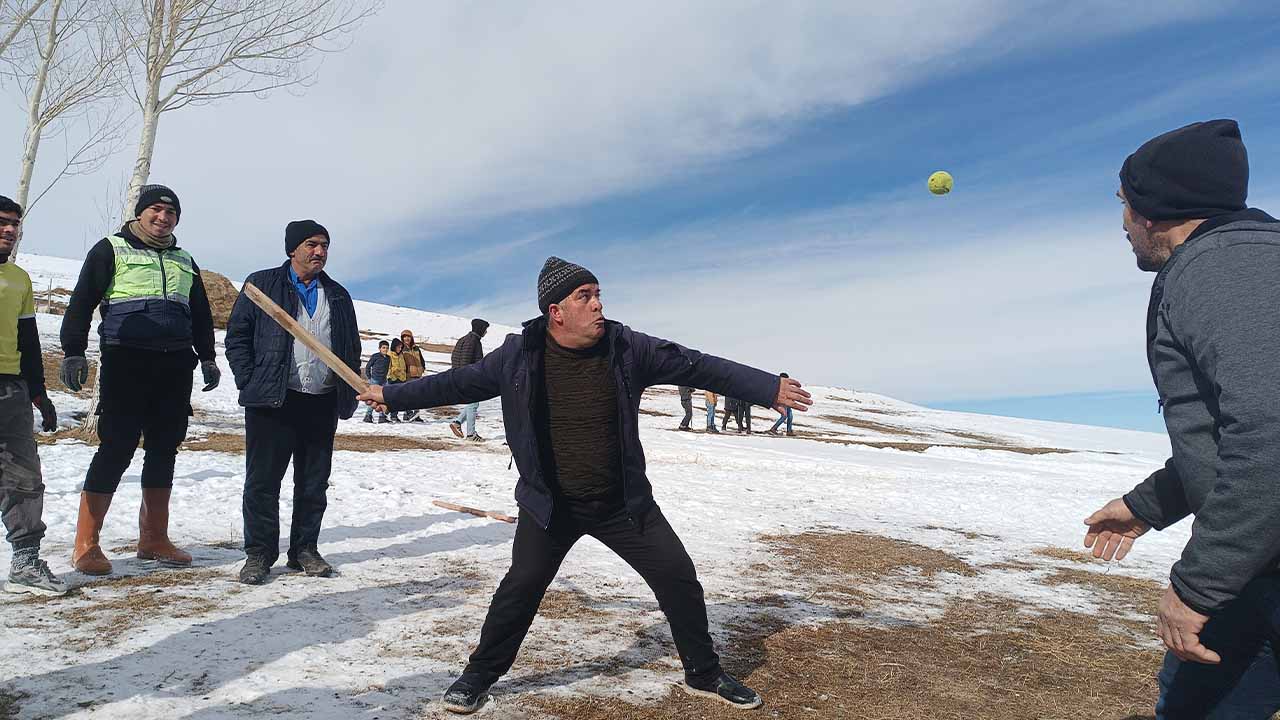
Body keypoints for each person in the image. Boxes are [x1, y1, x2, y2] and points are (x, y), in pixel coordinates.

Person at [357, 256, 813, 714]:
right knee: (522, 585)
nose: (598, 305)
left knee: (677, 575)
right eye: (585, 296)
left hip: (622, 505)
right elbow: (457, 384)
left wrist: (765, 387)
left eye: (598, 294)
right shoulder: (520, 354)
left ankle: (704, 671)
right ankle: (478, 675)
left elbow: (697, 366)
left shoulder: (627, 347)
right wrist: (390, 394)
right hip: (551, 506)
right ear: (555, 311)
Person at [1083, 119, 1280, 718]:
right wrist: (1154, 502)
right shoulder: (1249, 262)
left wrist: (1200, 586)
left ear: (1154, 207)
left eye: (1124, 203)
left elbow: (1271, 432)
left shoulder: (1223, 268)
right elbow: (1233, 426)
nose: (1122, 224)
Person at [60, 184, 219, 576]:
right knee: (117, 446)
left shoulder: (185, 260)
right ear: (140, 212)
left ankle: (154, 538)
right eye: (156, 210)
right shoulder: (111, 248)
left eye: (171, 213)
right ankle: (86, 545)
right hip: (126, 361)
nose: (163, 218)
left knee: (166, 447)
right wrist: (73, 350)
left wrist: (209, 357)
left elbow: (199, 313)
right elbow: (81, 302)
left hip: (175, 365)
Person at [225, 220, 361, 585]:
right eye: (311, 244)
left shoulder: (339, 295)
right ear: (292, 249)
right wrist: (249, 379)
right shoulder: (262, 285)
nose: (319, 252)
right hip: (273, 401)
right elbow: (237, 336)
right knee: (263, 482)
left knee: (314, 482)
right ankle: (259, 553)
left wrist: (349, 387)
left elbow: (351, 347)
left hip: (321, 401)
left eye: (325, 245)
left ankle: (305, 549)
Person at [0, 196, 63, 595]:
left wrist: (39, 392)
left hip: (11, 387)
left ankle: (25, 563)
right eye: (2, 223)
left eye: (15, 225)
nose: (9, 230)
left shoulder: (19, 279)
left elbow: (28, 338)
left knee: (24, 474)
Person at [449, 318, 489, 441]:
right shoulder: (473, 341)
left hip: (462, 376)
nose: (485, 332)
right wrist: (467, 377)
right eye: (485, 330)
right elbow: (465, 360)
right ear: (480, 329)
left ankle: (457, 422)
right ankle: (471, 434)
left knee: (473, 403)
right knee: (473, 404)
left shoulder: (464, 339)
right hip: (468, 377)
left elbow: (455, 358)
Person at [399, 330, 426, 422]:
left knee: (418, 396)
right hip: (408, 375)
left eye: (408, 337)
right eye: (404, 337)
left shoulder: (416, 348)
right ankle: (407, 414)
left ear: (411, 338)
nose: (406, 338)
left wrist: (423, 368)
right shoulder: (401, 349)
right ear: (402, 338)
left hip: (418, 374)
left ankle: (416, 414)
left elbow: (421, 359)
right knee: (409, 395)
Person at [363, 340, 390, 423]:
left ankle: (382, 417)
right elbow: (367, 367)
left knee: (382, 399)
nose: (385, 349)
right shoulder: (375, 356)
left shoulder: (388, 358)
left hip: (384, 381)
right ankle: (368, 415)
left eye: (386, 348)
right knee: (373, 398)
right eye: (383, 348)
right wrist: (370, 378)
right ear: (379, 348)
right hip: (375, 380)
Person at [385, 338, 407, 422]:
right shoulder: (389, 355)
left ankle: (394, 415)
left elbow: (403, 366)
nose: (400, 349)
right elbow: (388, 367)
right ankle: (387, 415)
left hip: (401, 379)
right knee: (391, 399)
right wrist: (392, 373)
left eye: (401, 347)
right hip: (393, 379)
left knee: (398, 399)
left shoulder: (401, 355)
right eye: (398, 347)